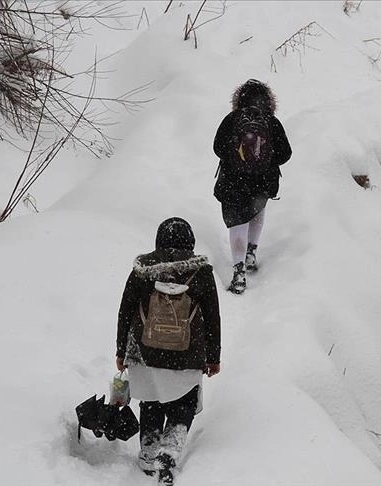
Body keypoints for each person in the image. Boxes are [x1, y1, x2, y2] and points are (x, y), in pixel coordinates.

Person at [116, 217, 221, 486]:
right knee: (183, 404)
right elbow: (212, 317)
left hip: (145, 352)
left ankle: (149, 451)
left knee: (151, 401)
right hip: (187, 353)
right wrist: (213, 357)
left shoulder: (142, 270)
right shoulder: (202, 272)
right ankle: (169, 454)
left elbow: (126, 311)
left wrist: (120, 351)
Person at [213, 79, 292, 294]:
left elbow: (217, 147)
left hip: (233, 183)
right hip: (262, 183)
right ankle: (251, 253)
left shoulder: (232, 119)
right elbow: (286, 154)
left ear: (239, 99)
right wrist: (265, 161)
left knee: (237, 223)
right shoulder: (271, 122)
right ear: (268, 100)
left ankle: (239, 272)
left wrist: (236, 158)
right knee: (257, 211)